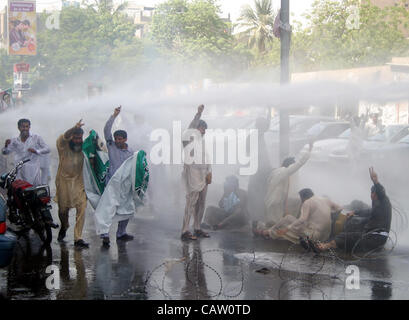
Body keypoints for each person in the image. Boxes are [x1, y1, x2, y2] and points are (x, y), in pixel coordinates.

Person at [316, 167, 391, 254]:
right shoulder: (378, 205)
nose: (371, 196)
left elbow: (381, 192)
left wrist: (376, 181)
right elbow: (369, 211)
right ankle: (333, 246)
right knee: (353, 232)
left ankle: (325, 246)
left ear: (375, 194)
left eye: (373, 193)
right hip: (372, 235)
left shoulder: (384, 201)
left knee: (346, 236)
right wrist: (355, 212)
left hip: (375, 237)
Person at [254, 189, 341, 246]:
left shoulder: (307, 202)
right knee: (288, 218)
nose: (301, 201)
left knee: (287, 226)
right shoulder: (325, 199)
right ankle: (269, 231)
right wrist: (331, 218)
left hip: (312, 235)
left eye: (301, 199)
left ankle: (267, 232)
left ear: (303, 197)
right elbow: (340, 208)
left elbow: (302, 219)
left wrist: (288, 228)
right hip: (326, 236)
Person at [100, 106, 135, 247]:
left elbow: (133, 169)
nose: (118, 141)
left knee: (126, 209)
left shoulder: (131, 153)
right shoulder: (111, 146)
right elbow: (106, 130)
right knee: (108, 209)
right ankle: (104, 233)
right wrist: (114, 116)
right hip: (111, 184)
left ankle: (121, 233)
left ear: (125, 139)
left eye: (120, 139)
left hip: (124, 185)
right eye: (116, 138)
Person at [55, 120, 89, 249]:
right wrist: (74, 127)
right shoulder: (62, 145)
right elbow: (65, 136)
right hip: (63, 182)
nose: (78, 140)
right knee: (63, 210)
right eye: (75, 138)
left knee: (82, 208)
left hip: (79, 183)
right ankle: (64, 226)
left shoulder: (83, 148)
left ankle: (78, 238)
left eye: (80, 138)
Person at [181, 104, 212, 241]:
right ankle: (185, 230)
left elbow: (207, 159)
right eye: (201, 128)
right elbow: (191, 127)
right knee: (191, 202)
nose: (203, 131)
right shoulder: (188, 139)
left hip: (203, 176)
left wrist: (209, 172)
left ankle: (197, 227)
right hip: (192, 175)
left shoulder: (202, 143)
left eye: (205, 129)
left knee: (202, 203)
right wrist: (198, 114)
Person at [263, 142, 313, 226]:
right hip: (275, 202)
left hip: (271, 201)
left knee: (271, 224)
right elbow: (299, 164)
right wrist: (309, 151)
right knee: (275, 225)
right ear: (289, 166)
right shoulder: (284, 171)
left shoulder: (276, 171)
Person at [2, 119, 50, 186]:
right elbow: (5, 152)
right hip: (19, 171)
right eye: (23, 126)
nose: (25, 128)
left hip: (33, 171)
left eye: (27, 126)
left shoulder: (36, 137)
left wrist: (36, 151)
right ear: (18, 128)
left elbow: (47, 149)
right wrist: (6, 146)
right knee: (21, 191)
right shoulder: (14, 139)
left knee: (34, 191)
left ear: (29, 127)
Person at [247, 109, 272, 222]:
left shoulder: (257, 135)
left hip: (261, 170)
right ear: (259, 126)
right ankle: (256, 217)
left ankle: (256, 217)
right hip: (258, 171)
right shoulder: (255, 136)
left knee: (259, 193)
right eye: (263, 126)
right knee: (257, 193)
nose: (265, 128)